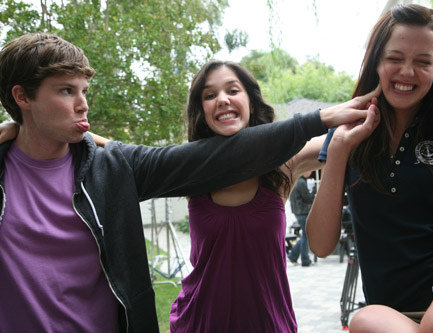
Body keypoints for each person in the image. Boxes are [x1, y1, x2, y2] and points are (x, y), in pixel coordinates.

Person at [0, 33, 383, 332]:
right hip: (198, 321)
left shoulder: (114, 169)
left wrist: (346, 110)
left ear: (251, 99)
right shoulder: (173, 168)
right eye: (67, 91)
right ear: (22, 97)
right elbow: (207, 157)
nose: (83, 104)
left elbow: (239, 154)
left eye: (83, 90)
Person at [306, 4, 433, 332]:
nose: (407, 72)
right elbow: (321, 245)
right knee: (363, 321)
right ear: (376, 62)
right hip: (393, 307)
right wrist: (338, 152)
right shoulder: (346, 134)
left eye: (423, 62)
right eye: (395, 58)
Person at [167, 60, 383, 332]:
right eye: (210, 95)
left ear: (252, 103)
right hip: (200, 323)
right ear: (202, 111)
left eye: (233, 90)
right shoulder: (190, 169)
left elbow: (345, 135)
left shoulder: (283, 166)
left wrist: (386, 82)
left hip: (269, 323)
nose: (222, 100)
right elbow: (127, 159)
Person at [288, 170, 316, 267]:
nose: (310, 172)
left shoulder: (296, 181)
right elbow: (308, 198)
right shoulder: (301, 182)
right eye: (309, 170)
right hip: (303, 212)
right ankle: (305, 260)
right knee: (306, 235)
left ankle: (293, 256)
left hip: (298, 212)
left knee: (305, 235)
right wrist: (313, 190)